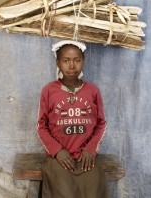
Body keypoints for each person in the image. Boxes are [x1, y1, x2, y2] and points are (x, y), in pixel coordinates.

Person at [37, 40, 108, 198]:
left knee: (95, 188)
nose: (71, 66)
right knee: (63, 192)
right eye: (66, 61)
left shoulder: (92, 91)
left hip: (86, 158)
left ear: (83, 62)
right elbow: (41, 127)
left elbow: (101, 124)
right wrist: (57, 151)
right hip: (60, 159)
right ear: (58, 63)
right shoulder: (49, 91)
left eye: (77, 60)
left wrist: (90, 149)